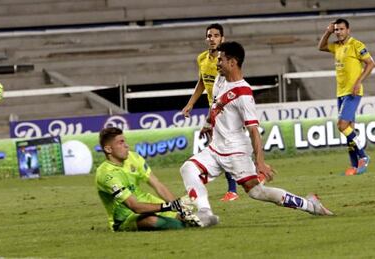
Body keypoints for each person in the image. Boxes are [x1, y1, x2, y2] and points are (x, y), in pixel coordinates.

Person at [180, 41, 334, 227]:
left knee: (257, 192)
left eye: (220, 60)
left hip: (235, 152)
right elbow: (216, 105)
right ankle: (205, 213)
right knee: (188, 168)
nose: (217, 63)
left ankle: (311, 205)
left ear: (232, 62)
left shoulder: (244, 93)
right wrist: (208, 123)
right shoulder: (220, 80)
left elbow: (254, 130)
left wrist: (260, 161)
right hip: (215, 149)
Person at [95, 127, 201, 231]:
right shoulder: (106, 175)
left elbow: (156, 184)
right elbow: (134, 206)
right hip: (125, 217)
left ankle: (193, 222)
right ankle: (184, 226)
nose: (126, 145)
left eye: (125, 141)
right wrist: (169, 206)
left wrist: (179, 207)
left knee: (186, 217)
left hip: (148, 202)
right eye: (121, 142)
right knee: (152, 221)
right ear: (108, 149)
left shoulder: (133, 157)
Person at [181, 23, 239, 202]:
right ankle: (244, 179)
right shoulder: (202, 59)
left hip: (226, 110)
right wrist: (190, 103)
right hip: (213, 110)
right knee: (223, 148)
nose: (212, 39)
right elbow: (202, 82)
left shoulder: (225, 60)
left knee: (223, 149)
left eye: (216, 35)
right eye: (209, 36)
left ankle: (232, 189)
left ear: (222, 38)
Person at [318, 18, 374, 175]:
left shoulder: (356, 45)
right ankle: (355, 166)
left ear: (348, 30)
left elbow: (370, 63)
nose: (339, 32)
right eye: (336, 30)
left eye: (341, 29)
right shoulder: (337, 46)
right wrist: (327, 31)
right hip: (341, 92)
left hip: (352, 92)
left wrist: (358, 82)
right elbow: (321, 46)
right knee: (350, 129)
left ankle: (363, 156)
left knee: (342, 125)